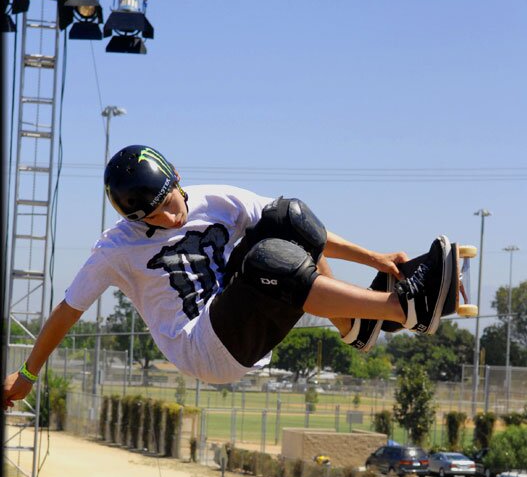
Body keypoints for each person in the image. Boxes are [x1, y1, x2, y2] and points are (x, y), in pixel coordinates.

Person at [3, 144, 456, 410]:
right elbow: (67, 311)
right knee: (268, 263)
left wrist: (374, 259)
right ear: (137, 219)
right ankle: (404, 309)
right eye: (155, 217)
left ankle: (355, 327)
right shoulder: (114, 249)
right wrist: (27, 372)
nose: (172, 215)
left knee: (287, 216)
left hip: (235, 309)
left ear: (178, 178)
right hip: (203, 349)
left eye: (171, 200)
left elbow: (300, 227)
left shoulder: (216, 198)